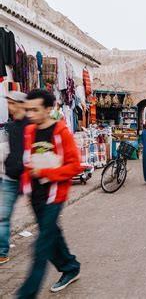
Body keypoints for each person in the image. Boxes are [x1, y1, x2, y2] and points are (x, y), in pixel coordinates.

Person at [17, 89, 83, 297]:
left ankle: (26, 294)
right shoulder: (29, 131)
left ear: (48, 109)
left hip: (54, 196)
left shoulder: (61, 132)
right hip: (35, 195)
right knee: (52, 235)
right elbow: (28, 160)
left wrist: (44, 172)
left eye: (35, 110)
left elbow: (75, 167)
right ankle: (70, 267)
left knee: (41, 245)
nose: (31, 114)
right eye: (28, 110)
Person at [0, 91, 28, 265]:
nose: (9, 106)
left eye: (11, 103)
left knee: (43, 215)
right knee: (3, 215)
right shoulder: (10, 126)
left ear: (20, 104)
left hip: (29, 177)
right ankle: (2, 252)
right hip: (10, 177)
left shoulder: (32, 125)